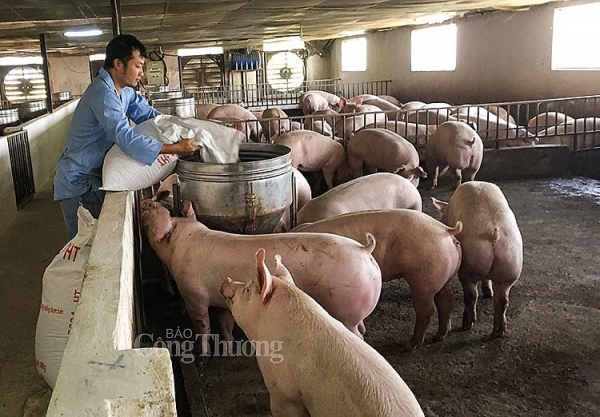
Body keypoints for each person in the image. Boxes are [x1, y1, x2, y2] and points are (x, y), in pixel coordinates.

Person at [53, 34, 198, 240]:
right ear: (118, 64)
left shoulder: (125, 92)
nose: (141, 73)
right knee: (82, 245)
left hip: (96, 177)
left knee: (100, 238)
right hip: (78, 180)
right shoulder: (102, 93)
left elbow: (150, 116)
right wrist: (175, 149)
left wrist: (184, 128)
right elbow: (125, 137)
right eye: (138, 66)